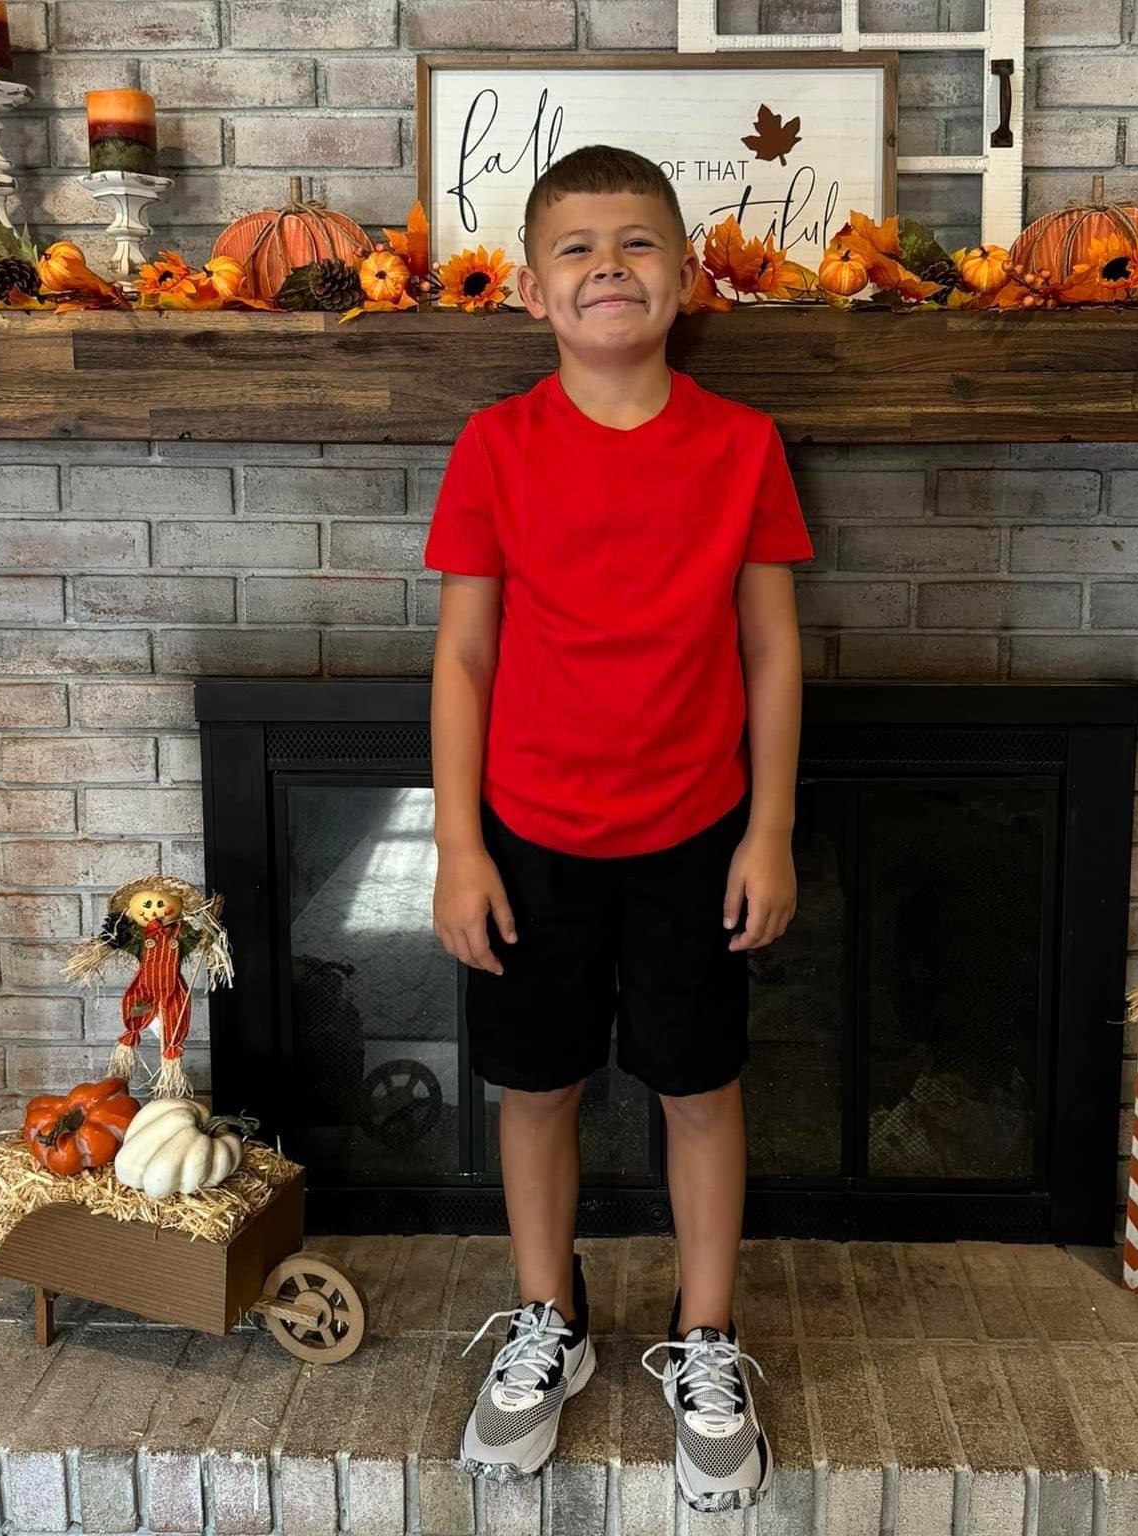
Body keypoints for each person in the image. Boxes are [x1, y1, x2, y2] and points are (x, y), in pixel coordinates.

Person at [424, 143, 813, 1514]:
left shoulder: (744, 446)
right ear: (533, 290)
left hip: (698, 834)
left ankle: (706, 1339)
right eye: (577, 248)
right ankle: (551, 1318)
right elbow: (464, 656)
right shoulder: (495, 447)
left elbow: (772, 652)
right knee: (536, 1089)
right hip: (529, 837)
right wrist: (458, 846)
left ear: (686, 279)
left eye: (638, 242)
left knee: (699, 1089)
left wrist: (770, 831)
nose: (609, 266)